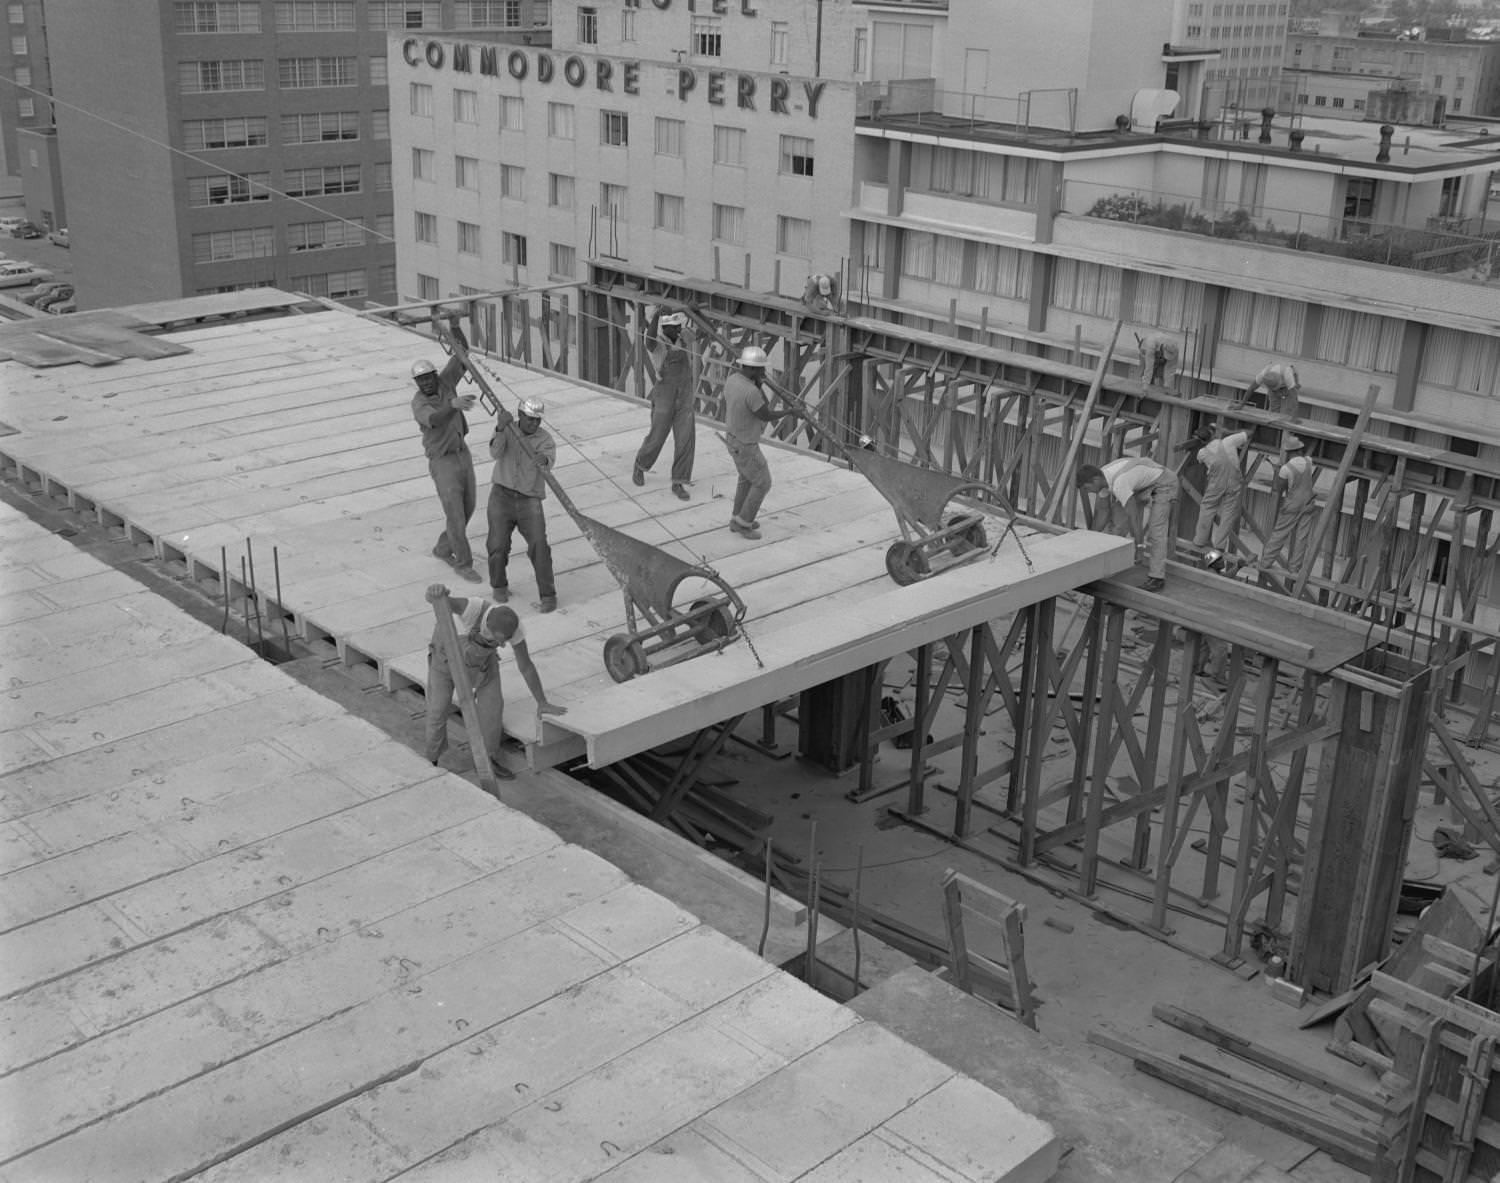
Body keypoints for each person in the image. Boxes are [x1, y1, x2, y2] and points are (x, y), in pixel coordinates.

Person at [424, 582, 565, 780]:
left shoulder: (515, 628)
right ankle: (432, 760)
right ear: (487, 624)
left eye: (504, 641)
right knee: (438, 709)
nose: (502, 645)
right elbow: (438, 601)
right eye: (497, 639)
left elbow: (525, 666)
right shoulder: (472, 608)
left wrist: (542, 702)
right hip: (445, 659)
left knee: (493, 707)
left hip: (482, 663)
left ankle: (487, 760)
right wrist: (435, 592)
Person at [410, 330, 481, 583]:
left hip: (462, 453)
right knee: (456, 514)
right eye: (421, 381)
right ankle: (463, 563)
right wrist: (452, 406)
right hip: (443, 462)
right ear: (417, 383)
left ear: (434, 375)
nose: (427, 383)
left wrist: (454, 324)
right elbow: (435, 419)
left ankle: (442, 548)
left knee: (469, 506)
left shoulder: (445, 383)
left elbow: (461, 350)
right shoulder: (418, 403)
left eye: (428, 378)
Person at [487, 397, 559, 612]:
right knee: (497, 545)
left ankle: (548, 595)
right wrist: (500, 428)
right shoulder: (507, 429)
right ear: (520, 416)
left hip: (530, 499)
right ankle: (499, 586)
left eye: (537, 420)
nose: (534, 424)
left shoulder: (546, 439)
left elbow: (549, 458)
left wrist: (543, 461)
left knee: (539, 546)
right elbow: (495, 452)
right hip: (501, 495)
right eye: (529, 419)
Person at [721, 345, 800, 539]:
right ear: (751, 369)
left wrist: (758, 383)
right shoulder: (751, 391)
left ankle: (737, 518)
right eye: (760, 369)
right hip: (746, 444)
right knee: (763, 482)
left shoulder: (732, 380)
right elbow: (765, 414)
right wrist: (790, 412)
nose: (763, 372)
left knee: (747, 479)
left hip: (732, 438)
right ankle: (744, 524)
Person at [1075, 456, 1180, 592]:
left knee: (1156, 531)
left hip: (1164, 483)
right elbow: (1103, 511)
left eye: (1087, 488)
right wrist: (1091, 536)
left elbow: (1134, 517)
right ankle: (1109, 565)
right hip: (1141, 485)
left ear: (1095, 480)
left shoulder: (1119, 483)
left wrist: (1139, 547)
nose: (1088, 492)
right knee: (1117, 519)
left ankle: (1157, 578)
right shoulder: (1103, 478)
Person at [632, 309, 696, 501]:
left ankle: (678, 481)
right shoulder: (659, 343)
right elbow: (648, 341)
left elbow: (700, 332)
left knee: (686, 440)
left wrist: (692, 311)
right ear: (664, 328)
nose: (677, 331)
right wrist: (656, 316)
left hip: (684, 396)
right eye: (673, 328)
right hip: (664, 396)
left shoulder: (683, 338)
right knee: (657, 436)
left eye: (678, 327)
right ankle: (640, 465)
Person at [1259, 435, 1319, 573]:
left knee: (1279, 534)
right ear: (1300, 450)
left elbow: (1279, 488)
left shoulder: (1286, 469)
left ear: (1288, 452)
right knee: (1302, 538)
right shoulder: (1308, 461)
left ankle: (1266, 562)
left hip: (1292, 505)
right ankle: (1294, 568)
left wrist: (1276, 472)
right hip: (1308, 504)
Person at [1192, 425, 1251, 553]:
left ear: (1202, 441)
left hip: (1216, 484)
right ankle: (1219, 545)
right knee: (1228, 514)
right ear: (1213, 434)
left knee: (1207, 509)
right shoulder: (1228, 441)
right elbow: (1248, 433)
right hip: (1234, 483)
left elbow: (1201, 461)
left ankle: (1199, 540)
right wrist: (1229, 431)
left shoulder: (1202, 453)